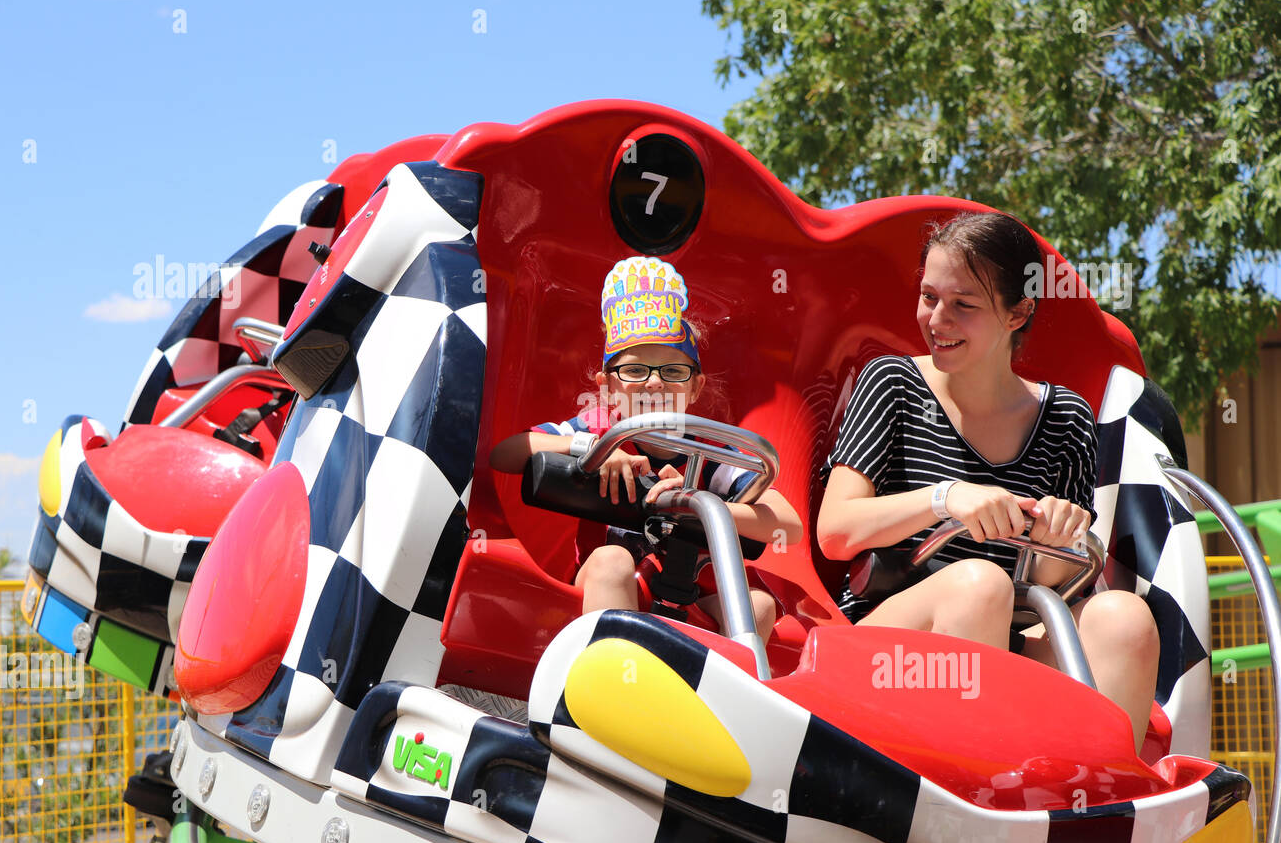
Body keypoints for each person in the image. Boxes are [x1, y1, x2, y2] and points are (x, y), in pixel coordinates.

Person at [816, 211, 1159, 751]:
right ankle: (972, 786)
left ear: (1017, 313)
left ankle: (1100, 807)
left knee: (1124, 618)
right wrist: (945, 499)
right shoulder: (891, 382)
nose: (936, 319)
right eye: (929, 297)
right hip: (883, 651)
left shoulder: (1066, 419)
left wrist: (1059, 540)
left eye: (963, 305)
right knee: (980, 585)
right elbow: (836, 532)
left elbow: (1049, 585)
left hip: (1005, 641)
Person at [490, 255, 803, 642]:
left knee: (759, 605)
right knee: (612, 561)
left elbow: (789, 526)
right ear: (608, 384)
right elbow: (505, 453)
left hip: (690, 592)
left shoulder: (709, 451)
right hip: (614, 583)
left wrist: (699, 500)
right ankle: (611, 683)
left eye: (672, 372)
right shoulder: (597, 430)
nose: (655, 384)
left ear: (695, 388)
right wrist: (593, 449)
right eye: (636, 371)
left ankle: (708, 695)